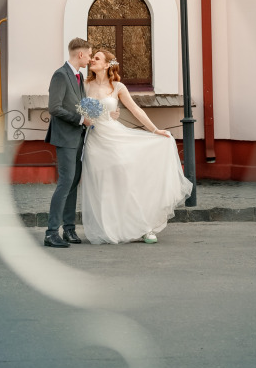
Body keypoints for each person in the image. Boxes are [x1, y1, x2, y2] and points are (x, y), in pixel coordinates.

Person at [80, 47, 193, 244]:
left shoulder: (118, 87)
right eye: (93, 58)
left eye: (96, 58)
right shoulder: (85, 85)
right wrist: (87, 120)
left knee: (124, 179)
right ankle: (109, 228)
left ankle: (144, 226)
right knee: (102, 184)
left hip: (114, 137)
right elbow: (80, 112)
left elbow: (135, 110)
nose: (92, 61)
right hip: (94, 140)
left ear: (107, 65)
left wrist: (155, 130)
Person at [43, 37, 94, 248]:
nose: (90, 59)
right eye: (89, 54)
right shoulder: (60, 75)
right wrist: (81, 119)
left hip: (78, 136)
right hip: (65, 137)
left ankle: (69, 230)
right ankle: (51, 233)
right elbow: (54, 108)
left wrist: (93, 115)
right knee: (65, 182)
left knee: (73, 183)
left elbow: (80, 105)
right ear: (80, 54)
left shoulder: (79, 75)